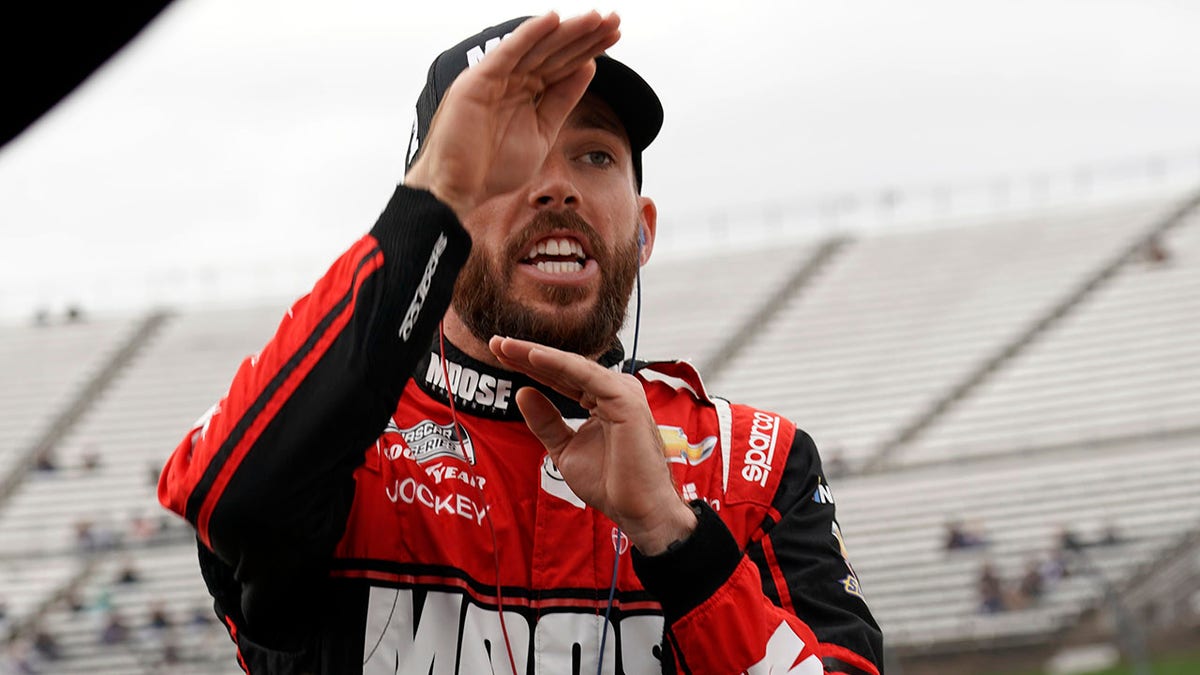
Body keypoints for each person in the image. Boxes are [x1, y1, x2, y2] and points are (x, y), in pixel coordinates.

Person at [157, 12, 882, 674]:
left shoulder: (752, 462)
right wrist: (430, 201)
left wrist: (675, 537)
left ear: (644, 227)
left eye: (595, 156)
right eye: (510, 155)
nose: (556, 188)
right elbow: (226, 498)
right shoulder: (341, 447)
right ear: (442, 212)